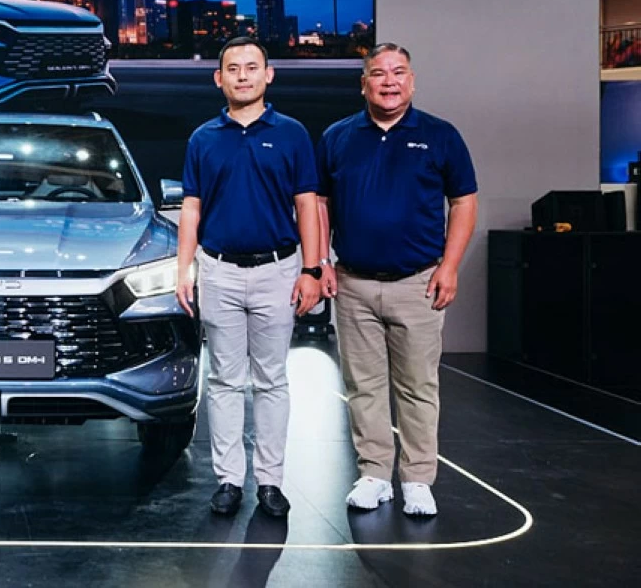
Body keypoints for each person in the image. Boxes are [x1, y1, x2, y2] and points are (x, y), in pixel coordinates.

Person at [316, 42, 478, 518]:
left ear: (413, 81)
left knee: (417, 386)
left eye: (398, 73)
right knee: (363, 385)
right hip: (353, 283)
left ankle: (418, 479)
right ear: (363, 83)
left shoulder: (441, 135)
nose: (389, 82)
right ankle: (373, 474)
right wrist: (322, 261)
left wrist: (449, 267)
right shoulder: (338, 137)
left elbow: (464, 202)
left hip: (418, 282)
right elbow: (320, 203)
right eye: (379, 74)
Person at [177, 37, 322, 519]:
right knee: (222, 380)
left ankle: (271, 482)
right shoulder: (203, 138)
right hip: (217, 270)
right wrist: (184, 269)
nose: (242, 75)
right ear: (218, 79)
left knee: (272, 380)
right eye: (233, 69)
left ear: (268, 75)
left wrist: (312, 269)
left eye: (251, 67)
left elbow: (307, 205)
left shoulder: (293, 134)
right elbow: (192, 208)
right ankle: (227, 480)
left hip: (278, 270)